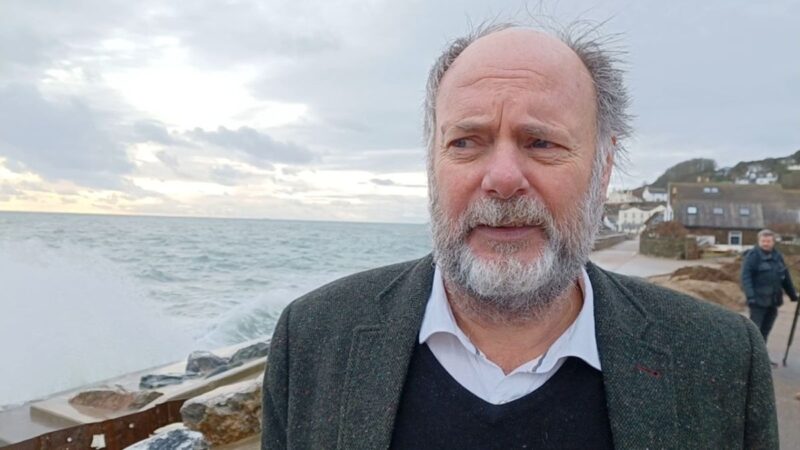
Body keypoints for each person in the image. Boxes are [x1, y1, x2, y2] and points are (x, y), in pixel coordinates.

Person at [262, 22, 777, 449]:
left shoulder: (723, 359)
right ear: (432, 162)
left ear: (603, 168)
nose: (503, 178)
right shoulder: (310, 339)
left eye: (541, 142)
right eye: (466, 141)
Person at [742, 228, 798, 343]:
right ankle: (751, 353)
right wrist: (750, 296)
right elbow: (746, 277)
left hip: (773, 301)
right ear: (759, 241)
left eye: (768, 241)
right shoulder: (752, 256)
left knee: (765, 331)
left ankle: (762, 352)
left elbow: (785, 277)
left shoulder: (778, 256)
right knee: (754, 332)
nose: (766, 244)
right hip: (757, 301)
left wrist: (793, 295)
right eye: (763, 241)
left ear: (773, 242)